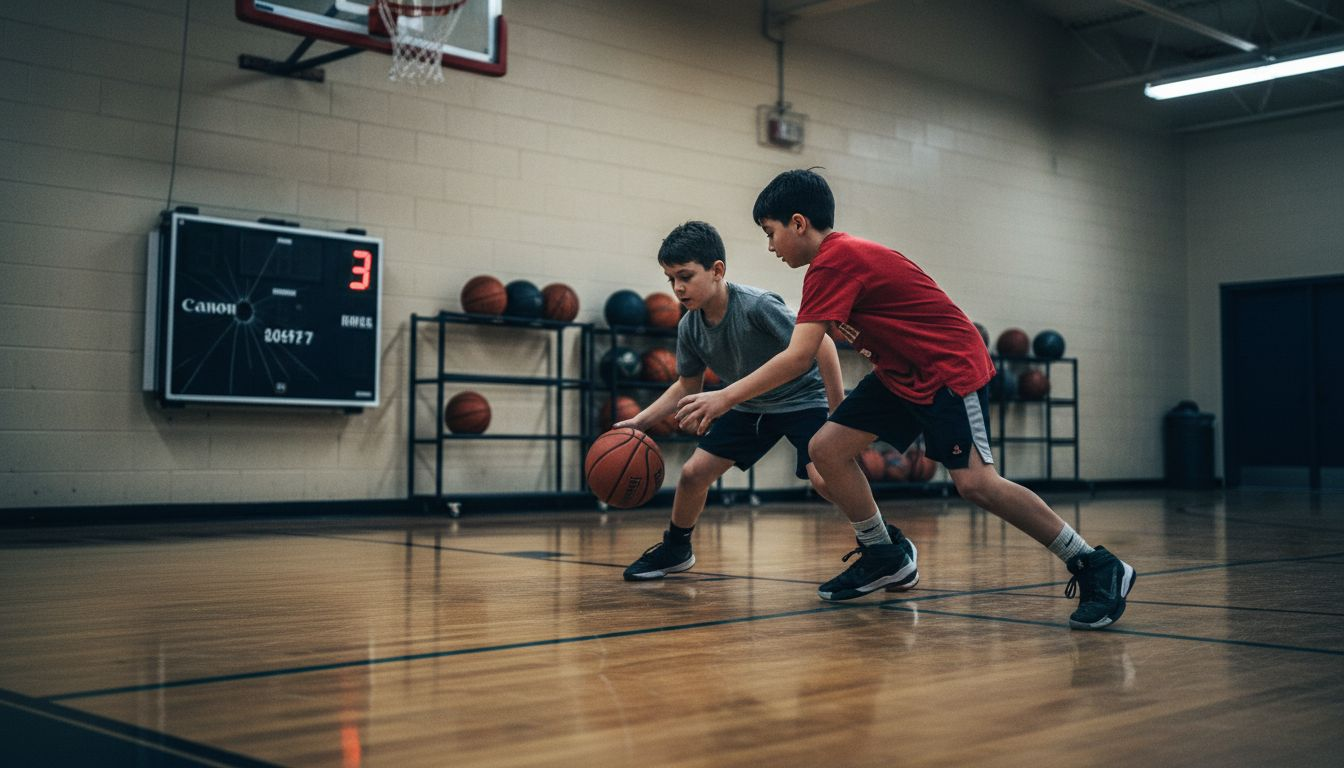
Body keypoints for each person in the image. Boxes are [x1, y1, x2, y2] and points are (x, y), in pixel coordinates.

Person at [676, 170, 1136, 630]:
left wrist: (724, 398)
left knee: (976, 484)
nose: (770, 246)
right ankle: (884, 554)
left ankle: (1094, 563)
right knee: (826, 449)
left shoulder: (834, 262)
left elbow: (799, 357)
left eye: (770, 232)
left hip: (947, 369)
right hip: (900, 371)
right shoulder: (831, 264)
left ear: (798, 223)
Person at [616, 220, 851, 582]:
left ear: (717, 270)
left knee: (824, 480)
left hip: (801, 399)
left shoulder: (757, 306)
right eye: (670, 279)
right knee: (693, 474)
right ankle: (676, 549)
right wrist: (641, 421)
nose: (678, 288)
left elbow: (825, 345)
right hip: (749, 405)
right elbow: (686, 385)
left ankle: (883, 541)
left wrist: (837, 414)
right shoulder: (689, 326)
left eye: (685, 276)